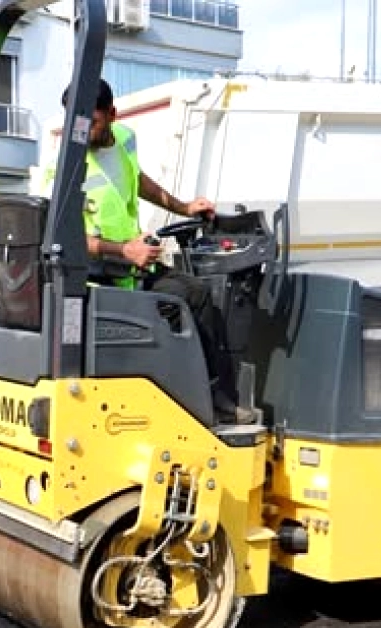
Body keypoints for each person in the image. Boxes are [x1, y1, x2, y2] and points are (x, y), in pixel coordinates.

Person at [59, 78, 254, 424]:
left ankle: (207, 399)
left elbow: (137, 179)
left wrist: (183, 207)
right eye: (78, 121)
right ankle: (214, 403)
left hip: (133, 268)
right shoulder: (63, 167)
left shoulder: (124, 141)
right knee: (194, 298)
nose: (84, 130)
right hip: (99, 277)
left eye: (93, 121)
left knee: (194, 293)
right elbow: (70, 235)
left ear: (112, 115)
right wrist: (124, 250)